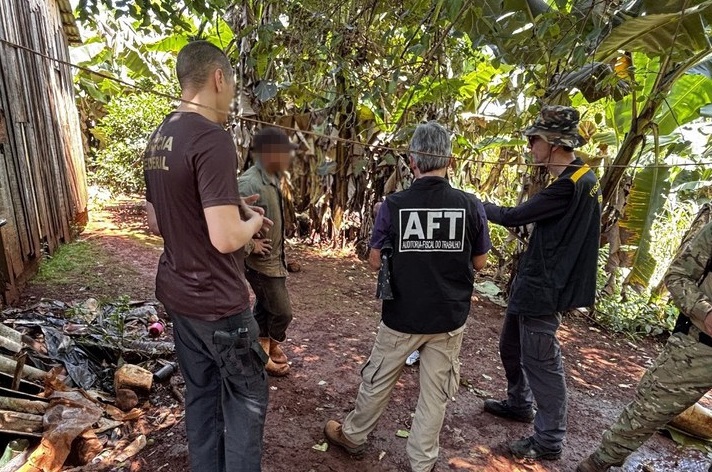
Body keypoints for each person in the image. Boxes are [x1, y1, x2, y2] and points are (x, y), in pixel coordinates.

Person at [324, 121, 491, 472]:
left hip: (402, 314)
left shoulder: (394, 204)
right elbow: (480, 262)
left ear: (413, 162)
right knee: (435, 394)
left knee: (379, 378)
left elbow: (374, 261)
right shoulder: (470, 205)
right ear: (450, 160)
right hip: (449, 317)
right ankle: (422, 461)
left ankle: (353, 436)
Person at [143, 40, 270, 472]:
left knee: (201, 396)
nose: (232, 94)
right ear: (219, 78)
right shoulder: (211, 138)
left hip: (180, 299)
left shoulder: (160, 136)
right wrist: (251, 221)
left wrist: (232, 201)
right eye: (232, 83)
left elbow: (161, 220)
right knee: (246, 400)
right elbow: (225, 239)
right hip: (219, 306)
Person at [482, 106, 601, 460]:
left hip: (545, 288)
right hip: (539, 282)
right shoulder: (585, 178)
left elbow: (513, 216)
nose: (530, 146)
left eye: (535, 139)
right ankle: (519, 403)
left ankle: (548, 440)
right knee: (511, 347)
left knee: (542, 363)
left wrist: (473, 203)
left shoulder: (568, 186)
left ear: (553, 143)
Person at [577, 221, 712, 472]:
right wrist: (705, 312)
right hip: (697, 349)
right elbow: (678, 275)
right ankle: (602, 461)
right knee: (646, 411)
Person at [239, 127, 296, 377]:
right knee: (283, 312)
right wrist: (252, 246)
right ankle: (268, 345)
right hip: (260, 263)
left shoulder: (271, 179)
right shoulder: (248, 183)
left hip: (275, 260)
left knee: (265, 305)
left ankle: (263, 350)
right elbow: (224, 224)